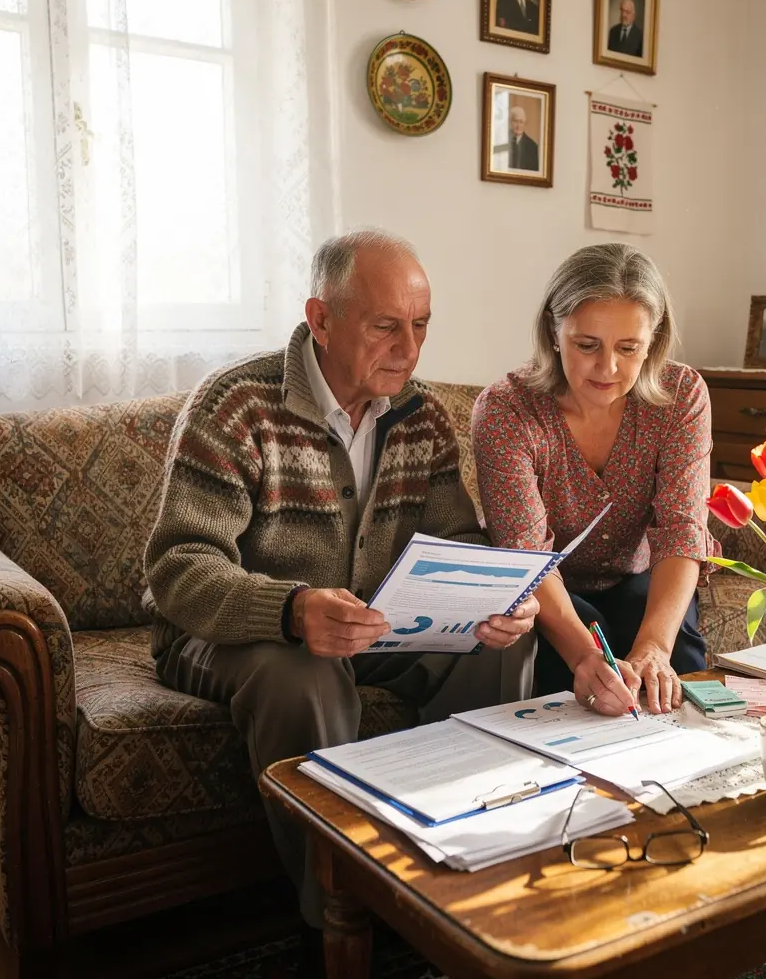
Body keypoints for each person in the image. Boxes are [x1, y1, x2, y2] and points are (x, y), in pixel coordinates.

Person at [143, 230, 539, 944]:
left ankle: (462, 868)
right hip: (228, 633)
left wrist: (495, 597)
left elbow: (459, 543)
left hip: (373, 627)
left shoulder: (422, 419)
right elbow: (179, 566)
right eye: (386, 326)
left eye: (421, 326)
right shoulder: (238, 404)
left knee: (504, 649)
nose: (410, 349)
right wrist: (291, 610)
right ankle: (338, 916)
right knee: (309, 676)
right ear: (320, 318)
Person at [471, 243, 719, 719]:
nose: (608, 369)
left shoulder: (682, 395)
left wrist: (654, 649)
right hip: (545, 590)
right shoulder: (506, 410)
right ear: (553, 330)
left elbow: (682, 530)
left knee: (679, 672)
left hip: (637, 576)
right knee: (578, 684)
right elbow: (528, 556)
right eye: (587, 345)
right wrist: (584, 657)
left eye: (629, 349)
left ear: (654, 339)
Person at [508, 105, 540, 171]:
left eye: (521, 122)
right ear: (510, 122)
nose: (518, 125)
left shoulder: (532, 146)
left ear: (525, 123)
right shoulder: (501, 140)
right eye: (516, 121)